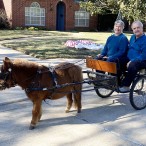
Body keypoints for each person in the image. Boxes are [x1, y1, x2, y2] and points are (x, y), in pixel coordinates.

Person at [96, 20, 129, 84]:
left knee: (111, 60)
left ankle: (114, 80)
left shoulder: (123, 38)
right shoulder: (110, 38)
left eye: (120, 27)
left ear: (123, 28)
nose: (117, 28)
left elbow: (122, 52)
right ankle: (99, 78)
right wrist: (101, 54)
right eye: (116, 26)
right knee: (98, 59)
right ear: (114, 27)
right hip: (109, 57)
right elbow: (105, 49)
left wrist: (111, 57)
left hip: (118, 59)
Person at [119, 20, 146, 92]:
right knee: (117, 60)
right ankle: (118, 82)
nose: (136, 30)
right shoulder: (132, 37)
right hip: (129, 58)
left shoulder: (145, 40)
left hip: (142, 61)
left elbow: (144, 55)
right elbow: (128, 48)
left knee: (133, 64)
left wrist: (132, 60)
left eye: (138, 28)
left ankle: (126, 86)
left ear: (142, 28)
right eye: (134, 28)